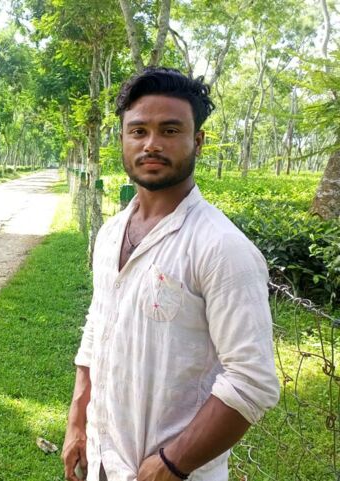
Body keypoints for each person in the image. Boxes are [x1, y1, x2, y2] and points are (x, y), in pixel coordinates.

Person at [61, 68, 280, 481]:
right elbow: (98, 325)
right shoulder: (111, 233)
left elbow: (252, 380)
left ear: (198, 141)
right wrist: (77, 420)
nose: (152, 144)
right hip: (104, 458)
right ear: (123, 138)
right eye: (138, 131)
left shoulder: (221, 247)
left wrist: (171, 463)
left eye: (170, 130)